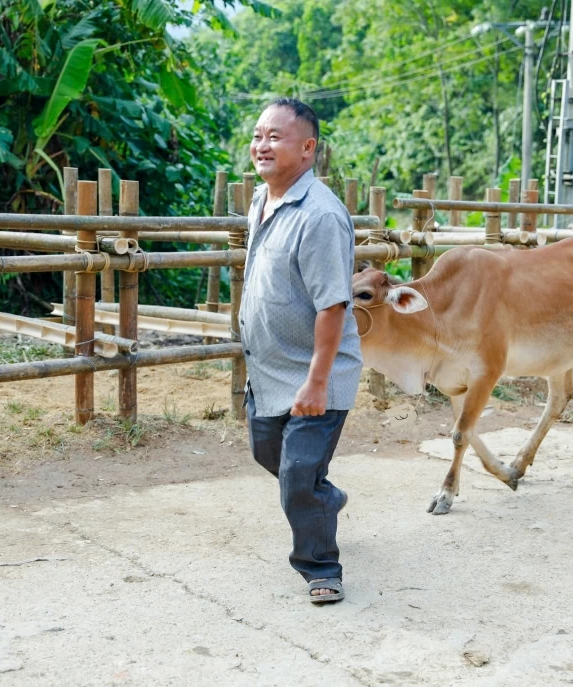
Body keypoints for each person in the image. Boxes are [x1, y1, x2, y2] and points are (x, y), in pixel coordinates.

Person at [239, 98, 363, 605]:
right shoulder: (261, 202)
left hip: (318, 376)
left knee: (295, 474)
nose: (262, 145)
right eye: (258, 135)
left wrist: (315, 381)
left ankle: (320, 567)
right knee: (269, 454)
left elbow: (333, 305)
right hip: (269, 371)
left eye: (276, 137)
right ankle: (324, 497)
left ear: (308, 149)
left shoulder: (320, 216)